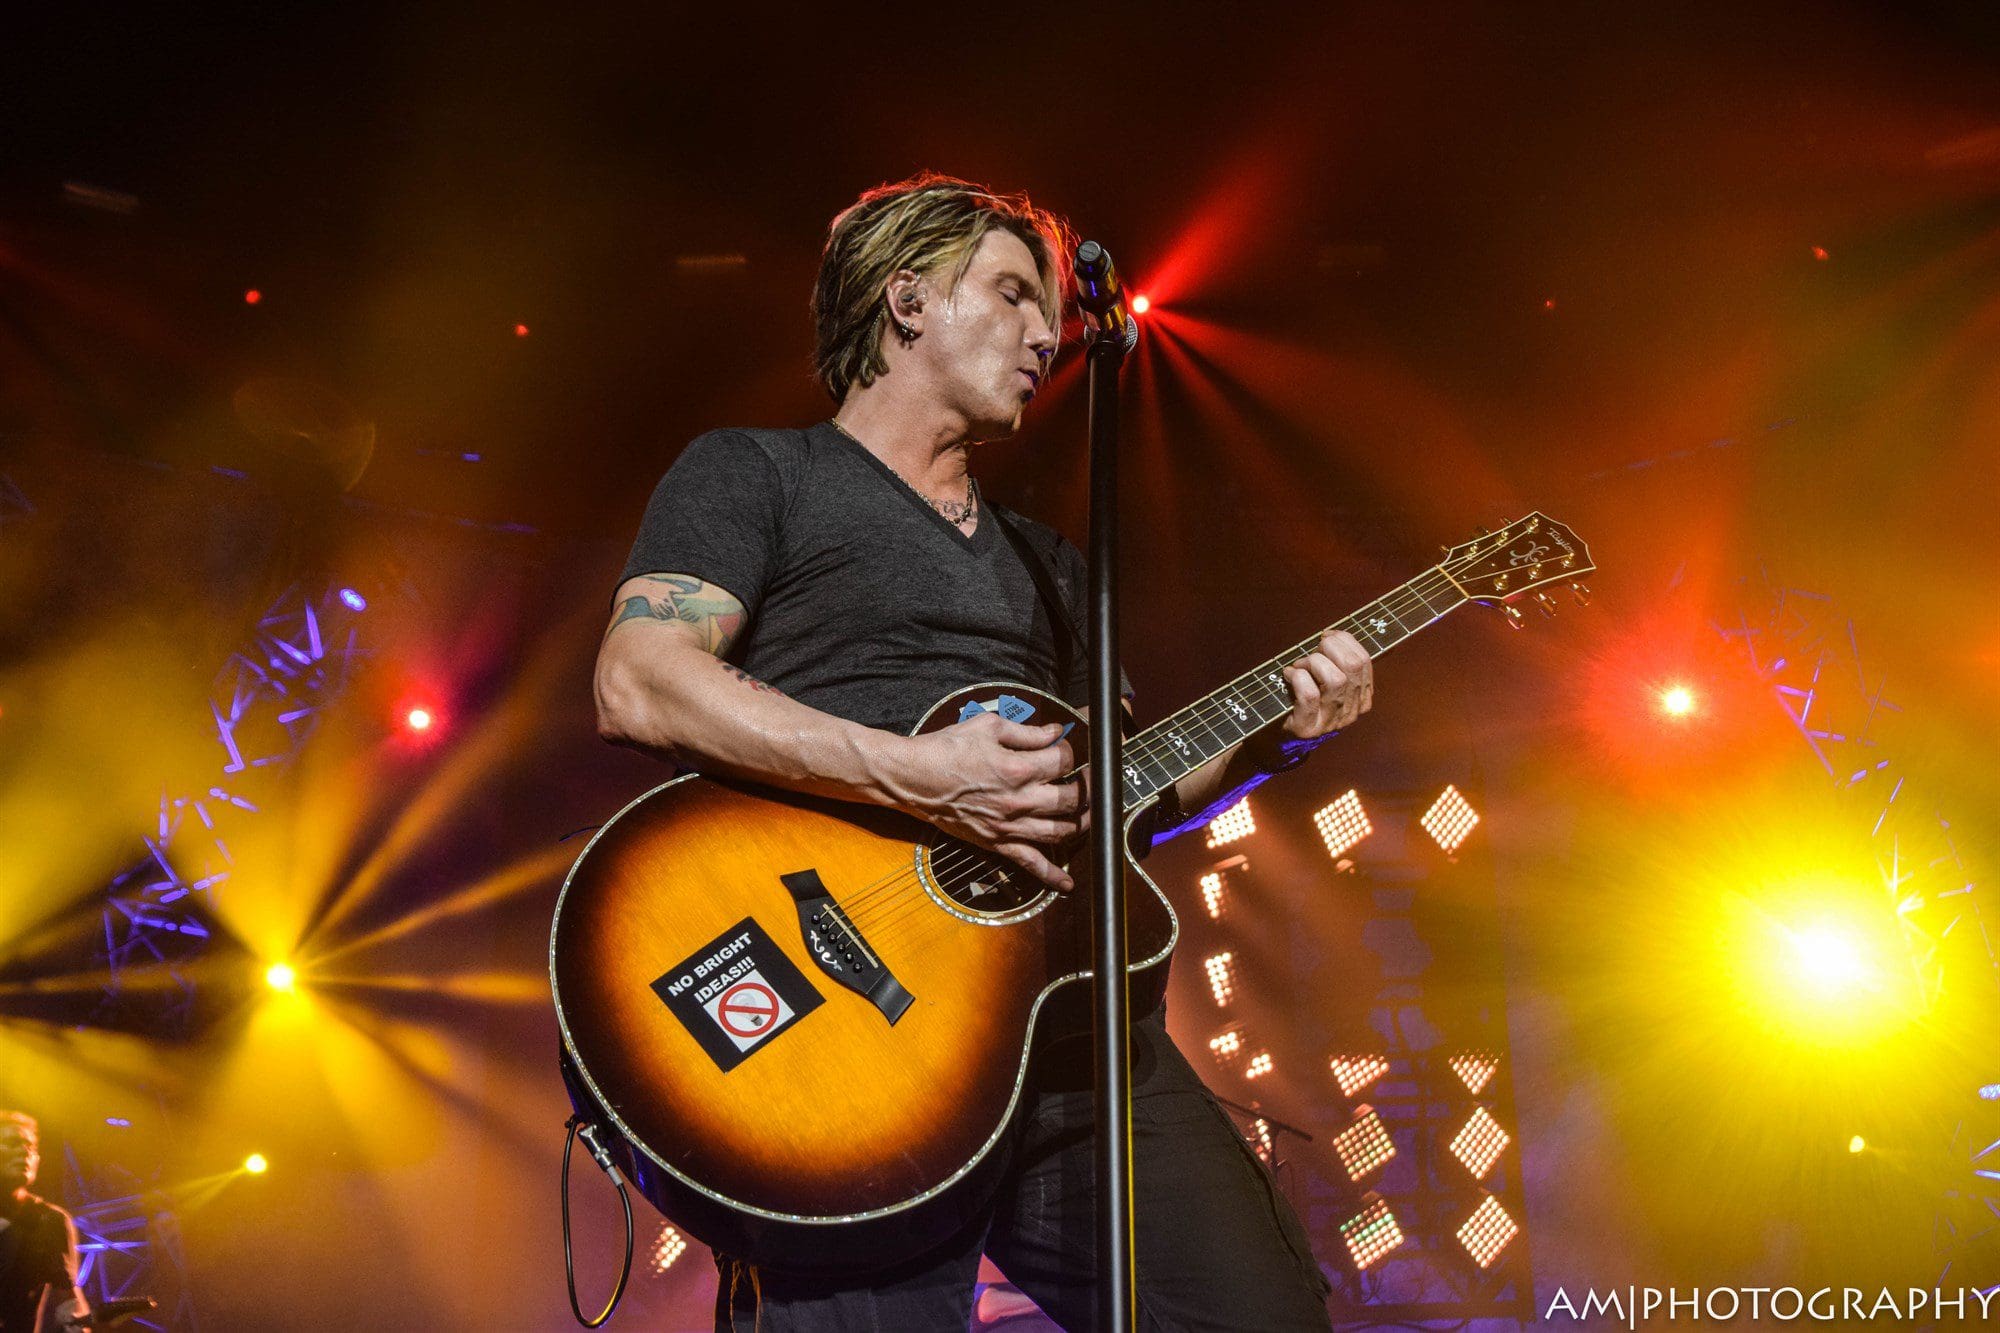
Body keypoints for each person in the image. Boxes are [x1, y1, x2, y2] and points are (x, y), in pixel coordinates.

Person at [594, 172, 1374, 1331]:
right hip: (850, 1042)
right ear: (906, 300)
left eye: (1050, 309)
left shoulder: (1053, 568)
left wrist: (1271, 742)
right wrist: (915, 772)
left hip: (1070, 1036)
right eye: (1011, 294)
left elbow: (1116, 800)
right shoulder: (758, 474)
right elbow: (639, 679)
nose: (1046, 335)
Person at [0, 1112, 87, 1333]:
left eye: (31, 1147)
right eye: (12, 1143)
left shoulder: (48, 1221)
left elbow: (68, 1301)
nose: (24, 1152)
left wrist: (79, 1325)